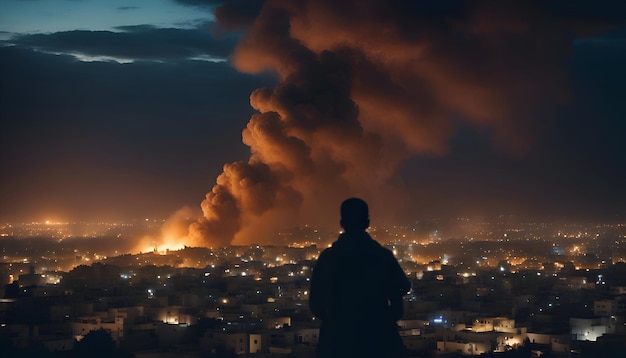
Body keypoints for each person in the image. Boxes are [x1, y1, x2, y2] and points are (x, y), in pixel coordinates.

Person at [309, 198, 411, 357]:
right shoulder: (382, 256)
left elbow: (316, 305)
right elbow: (399, 294)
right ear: (367, 223)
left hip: (336, 344)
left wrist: (338, 322)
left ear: (342, 223)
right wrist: (381, 322)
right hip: (379, 342)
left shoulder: (328, 258)